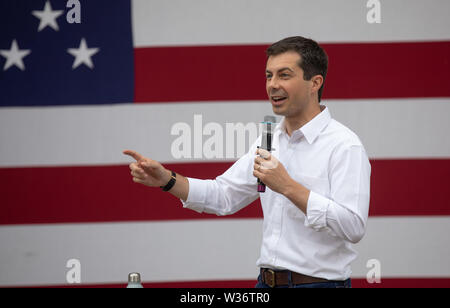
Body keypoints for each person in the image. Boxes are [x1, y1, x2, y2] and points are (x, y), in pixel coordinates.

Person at [124, 36, 371, 288]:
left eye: (284, 75)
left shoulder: (344, 145)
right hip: (265, 284)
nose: (272, 85)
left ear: (314, 83)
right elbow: (223, 195)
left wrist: (287, 186)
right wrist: (168, 180)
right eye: (268, 76)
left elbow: (353, 226)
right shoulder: (268, 139)